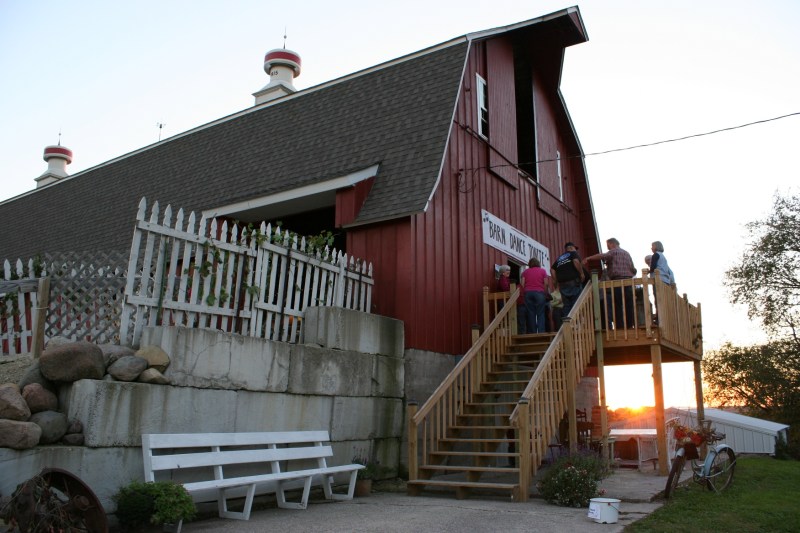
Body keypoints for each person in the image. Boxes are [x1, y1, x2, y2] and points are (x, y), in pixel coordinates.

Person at [583, 238, 637, 328]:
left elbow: (602, 256)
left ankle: (620, 327)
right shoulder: (627, 253)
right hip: (628, 281)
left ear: (612, 243)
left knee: (617, 304)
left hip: (617, 281)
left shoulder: (613, 251)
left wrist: (589, 258)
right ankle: (629, 326)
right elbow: (633, 269)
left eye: (608, 245)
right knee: (628, 304)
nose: (608, 247)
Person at [551, 242, 585, 318]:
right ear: (571, 248)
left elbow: (552, 270)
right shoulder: (573, 254)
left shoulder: (559, 258)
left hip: (562, 285)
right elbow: (576, 261)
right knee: (576, 304)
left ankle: (567, 325)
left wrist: (555, 282)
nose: (575, 250)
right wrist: (582, 273)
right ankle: (575, 324)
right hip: (573, 282)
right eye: (574, 248)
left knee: (566, 306)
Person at [521, 257, 551, 334]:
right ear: (538, 263)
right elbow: (546, 283)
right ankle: (541, 332)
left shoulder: (525, 272)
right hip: (539, 293)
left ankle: (532, 332)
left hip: (528, 293)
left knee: (531, 313)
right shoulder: (543, 271)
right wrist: (545, 293)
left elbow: (522, 284)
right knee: (540, 313)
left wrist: (525, 292)